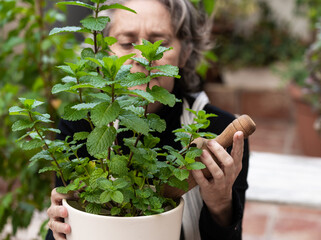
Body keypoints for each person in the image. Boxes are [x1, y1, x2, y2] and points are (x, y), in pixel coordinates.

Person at [46, 0, 250, 239]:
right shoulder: (83, 124)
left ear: (184, 52)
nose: (143, 56)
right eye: (126, 42)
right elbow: (67, 224)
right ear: (103, 56)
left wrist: (221, 206)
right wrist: (62, 227)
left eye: (159, 43)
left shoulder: (219, 131)